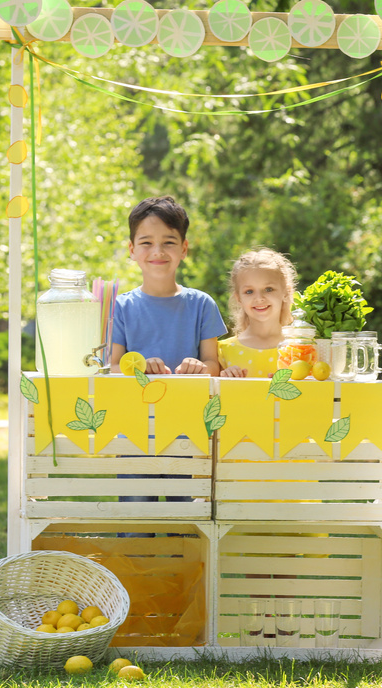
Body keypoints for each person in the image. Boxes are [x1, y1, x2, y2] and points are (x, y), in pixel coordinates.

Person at [109, 196, 226, 513]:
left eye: (169, 242)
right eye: (146, 242)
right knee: (136, 522)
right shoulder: (121, 307)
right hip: (134, 430)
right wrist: (138, 368)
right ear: (132, 250)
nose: (158, 252)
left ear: (184, 249)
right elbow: (113, 365)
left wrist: (200, 366)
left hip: (187, 430)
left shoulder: (202, 304)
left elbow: (213, 364)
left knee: (185, 522)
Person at [218, 248, 298, 379]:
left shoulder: (302, 348)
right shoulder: (223, 351)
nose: (259, 298)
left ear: (286, 291)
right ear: (238, 298)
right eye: (249, 291)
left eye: (268, 289)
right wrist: (225, 380)